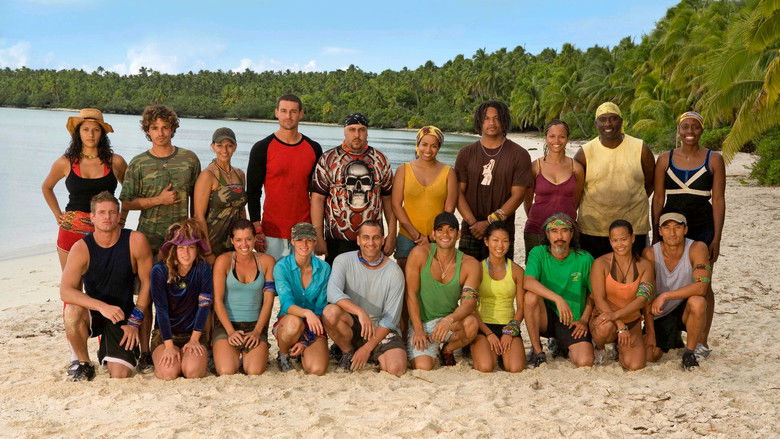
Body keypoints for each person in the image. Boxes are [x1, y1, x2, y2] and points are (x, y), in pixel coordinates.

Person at [42, 108, 128, 375]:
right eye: (85, 129)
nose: (90, 134)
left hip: (104, 233)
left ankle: (105, 346)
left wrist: (122, 218)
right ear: (77, 133)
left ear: (102, 133)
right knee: (73, 291)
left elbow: (129, 192)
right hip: (70, 234)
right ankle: (76, 357)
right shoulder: (66, 162)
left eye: (95, 129)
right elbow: (46, 187)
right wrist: (57, 214)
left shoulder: (115, 161)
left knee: (103, 286)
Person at [120, 104, 201, 371]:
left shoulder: (189, 159)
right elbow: (127, 202)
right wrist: (159, 200)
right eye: (154, 128)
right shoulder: (138, 163)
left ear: (173, 129)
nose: (161, 133)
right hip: (148, 240)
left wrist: (197, 234)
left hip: (181, 242)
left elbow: (198, 200)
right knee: (147, 294)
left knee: (182, 293)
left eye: (165, 127)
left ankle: (182, 342)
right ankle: (145, 351)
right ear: (147, 130)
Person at [652, 111, 725, 355]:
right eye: (685, 127)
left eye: (695, 126)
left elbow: (719, 200)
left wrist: (716, 238)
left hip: (703, 226)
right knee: (666, 277)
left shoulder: (714, 159)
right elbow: (658, 198)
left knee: (704, 283)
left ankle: (702, 341)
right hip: (671, 226)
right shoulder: (665, 159)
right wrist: (656, 232)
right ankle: (671, 327)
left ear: (702, 130)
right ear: (679, 130)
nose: (690, 131)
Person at [59, 191, 153, 381]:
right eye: (101, 212)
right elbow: (65, 291)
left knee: (120, 374)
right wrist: (101, 307)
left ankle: (134, 353)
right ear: (92, 217)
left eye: (112, 212)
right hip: (96, 312)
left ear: (119, 216)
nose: (107, 217)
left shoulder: (135, 241)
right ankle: (84, 363)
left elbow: (147, 283)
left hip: (123, 314)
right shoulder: (81, 248)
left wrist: (134, 322)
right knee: (72, 310)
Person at [322, 220, 407, 376]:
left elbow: (390, 320)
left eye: (376, 238)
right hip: (355, 324)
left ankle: (368, 353)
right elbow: (333, 293)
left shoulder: (394, 272)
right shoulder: (343, 260)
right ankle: (347, 351)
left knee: (396, 369)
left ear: (382, 240)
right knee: (330, 312)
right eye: (366, 237)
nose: (371, 243)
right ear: (358, 240)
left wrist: (367, 348)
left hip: (381, 330)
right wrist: (360, 312)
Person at [310, 113, 396, 265]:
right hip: (336, 240)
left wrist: (392, 234)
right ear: (345, 131)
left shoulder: (380, 160)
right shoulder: (328, 159)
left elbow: (388, 200)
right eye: (352, 129)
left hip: (372, 241)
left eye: (361, 130)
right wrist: (318, 235)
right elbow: (317, 199)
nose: (357, 135)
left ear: (367, 132)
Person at [246, 95, 323, 260]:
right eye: (284, 111)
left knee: (303, 275)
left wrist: (318, 231)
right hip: (272, 230)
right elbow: (253, 191)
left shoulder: (314, 148)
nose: (288, 116)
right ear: (276, 113)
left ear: (301, 114)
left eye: (293, 111)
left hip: (304, 230)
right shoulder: (262, 148)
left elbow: (318, 195)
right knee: (272, 275)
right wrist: (256, 226)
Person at [574, 102, 655, 258]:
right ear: (596, 123)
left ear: (621, 121)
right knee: (596, 270)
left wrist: (631, 200)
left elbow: (650, 183)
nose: (608, 124)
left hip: (633, 227)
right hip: (594, 228)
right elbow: (576, 191)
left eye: (613, 118)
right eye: (603, 119)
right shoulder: (585, 152)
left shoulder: (640, 148)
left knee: (634, 269)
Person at [455, 101, 533, 261]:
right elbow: (457, 193)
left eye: (496, 118)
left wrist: (490, 222)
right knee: (468, 274)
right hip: (471, 230)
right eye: (486, 118)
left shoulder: (519, 154)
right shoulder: (465, 154)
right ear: (479, 122)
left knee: (501, 276)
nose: (491, 123)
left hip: (502, 231)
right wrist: (473, 223)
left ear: (504, 121)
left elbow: (518, 195)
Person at [405, 212, 481, 370]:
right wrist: (418, 329)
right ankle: (431, 350)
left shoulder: (470, 264)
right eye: (440, 230)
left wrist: (449, 320)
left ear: (458, 234)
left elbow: (469, 303)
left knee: (472, 324)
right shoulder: (419, 254)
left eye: (451, 230)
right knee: (423, 367)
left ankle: (447, 350)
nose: (445, 234)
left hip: (449, 322)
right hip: (423, 323)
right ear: (433, 234)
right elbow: (411, 294)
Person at [524, 213, 594, 368]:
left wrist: (584, 320)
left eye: (564, 230)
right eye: (554, 231)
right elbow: (528, 282)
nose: (559, 236)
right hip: (545, 317)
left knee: (585, 361)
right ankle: (537, 351)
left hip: (572, 320)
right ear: (547, 234)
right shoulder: (538, 253)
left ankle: (561, 345)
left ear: (572, 234)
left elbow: (593, 294)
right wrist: (558, 299)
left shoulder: (584, 258)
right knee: (530, 297)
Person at [642, 212, 710, 370]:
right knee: (650, 357)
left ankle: (690, 352)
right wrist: (650, 332)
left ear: (685, 229)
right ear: (660, 231)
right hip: (660, 312)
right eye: (667, 228)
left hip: (684, 308)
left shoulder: (697, 248)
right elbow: (646, 295)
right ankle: (674, 339)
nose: (672, 233)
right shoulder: (650, 253)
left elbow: (702, 286)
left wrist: (666, 295)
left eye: (677, 227)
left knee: (698, 302)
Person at [150, 219, 213, 380]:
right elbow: (161, 310)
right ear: (173, 250)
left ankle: (192, 356)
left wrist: (194, 340)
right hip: (165, 335)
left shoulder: (203, 268)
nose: (186, 252)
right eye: (181, 247)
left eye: (191, 247)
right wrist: (169, 346)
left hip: (193, 333)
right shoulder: (159, 271)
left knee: (192, 372)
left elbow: (204, 306)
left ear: (197, 249)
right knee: (169, 373)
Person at [211, 219, 275, 376]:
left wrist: (257, 331)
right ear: (232, 241)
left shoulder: (267, 261)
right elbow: (217, 301)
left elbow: (268, 301)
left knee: (254, 371)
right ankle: (224, 352)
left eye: (248, 239)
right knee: (226, 370)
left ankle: (251, 354)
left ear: (255, 239)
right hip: (227, 326)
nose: (244, 244)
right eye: (239, 240)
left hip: (255, 325)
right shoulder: (223, 261)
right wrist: (231, 332)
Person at [589, 220, 654, 371]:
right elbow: (599, 299)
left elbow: (642, 300)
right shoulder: (601, 263)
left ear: (632, 238)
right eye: (615, 240)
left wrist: (618, 317)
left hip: (631, 321)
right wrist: (618, 323)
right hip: (606, 318)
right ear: (610, 241)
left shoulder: (645, 266)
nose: (620, 244)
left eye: (624, 239)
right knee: (605, 328)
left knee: (635, 365)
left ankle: (619, 347)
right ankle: (599, 347)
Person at [391, 125, 458, 270]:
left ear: (439, 148)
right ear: (418, 145)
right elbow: (396, 205)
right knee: (404, 277)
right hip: (407, 236)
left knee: (433, 277)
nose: (428, 150)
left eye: (434, 146)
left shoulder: (449, 173)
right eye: (424, 144)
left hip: (437, 237)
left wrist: (431, 237)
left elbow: (449, 210)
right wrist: (416, 235)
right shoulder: (403, 170)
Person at [272, 222, 331, 375]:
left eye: (309, 240)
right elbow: (286, 304)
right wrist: (307, 313)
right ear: (292, 241)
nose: (304, 245)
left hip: (314, 323)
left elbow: (320, 306)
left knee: (317, 369)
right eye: (299, 240)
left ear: (315, 242)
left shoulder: (324, 268)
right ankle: (283, 355)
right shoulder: (281, 267)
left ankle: (301, 348)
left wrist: (306, 340)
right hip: (290, 321)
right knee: (294, 323)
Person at [523, 119, 584, 261]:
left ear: (567, 139)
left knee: (565, 270)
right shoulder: (535, 167)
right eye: (552, 136)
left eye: (561, 136)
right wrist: (538, 220)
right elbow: (527, 200)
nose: (556, 141)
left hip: (566, 232)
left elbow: (576, 199)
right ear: (546, 138)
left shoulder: (576, 168)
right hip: (536, 229)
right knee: (535, 270)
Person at [470, 221, 527, 373]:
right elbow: (471, 307)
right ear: (486, 241)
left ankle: (503, 354)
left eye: (505, 241)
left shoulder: (517, 271)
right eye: (495, 240)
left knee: (515, 368)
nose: (500, 246)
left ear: (510, 243)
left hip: (508, 325)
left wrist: (509, 331)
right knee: (485, 367)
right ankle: (486, 351)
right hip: (483, 326)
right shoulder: (477, 268)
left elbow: (521, 308)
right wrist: (488, 334)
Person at [194, 127, 247, 263]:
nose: (224, 150)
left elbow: (241, 209)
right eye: (219, 145)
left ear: (235, 147)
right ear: (212, 147)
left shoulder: (240, 174)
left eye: (229, 145)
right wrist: (207, 251)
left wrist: (246, 238)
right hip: (213, 243)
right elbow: (198, 216)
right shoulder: (207, 175)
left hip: (235, 244)